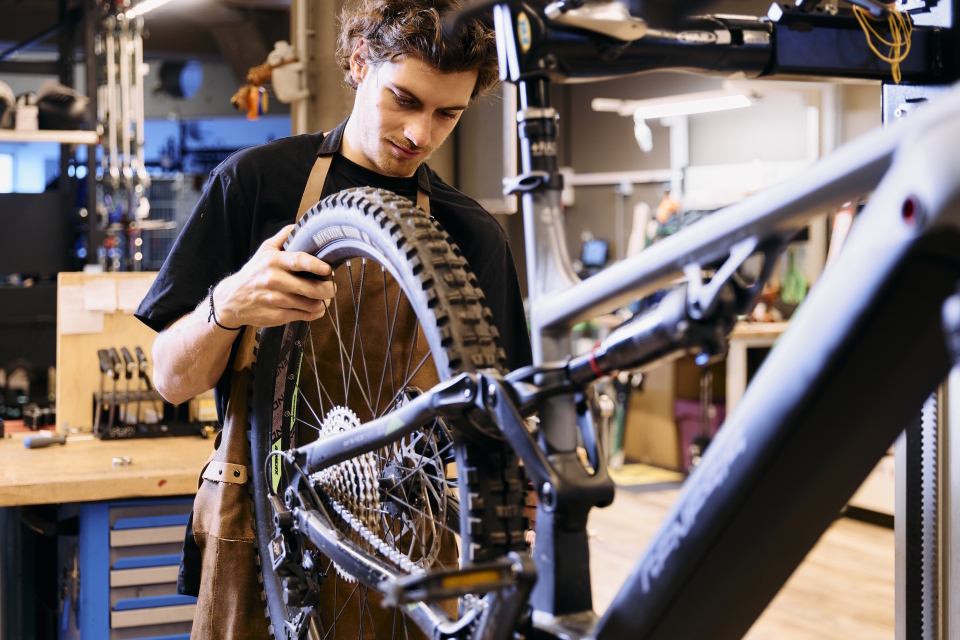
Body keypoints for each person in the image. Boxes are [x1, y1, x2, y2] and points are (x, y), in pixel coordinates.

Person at [134, 0, 532, 634]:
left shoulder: (472, 233)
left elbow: (503, 413)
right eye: (404, 99)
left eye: (445, 114)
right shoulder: (254, 183)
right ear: (358, 64)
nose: (420, 134)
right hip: (257, 518)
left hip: (404, 537)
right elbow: (170, 379)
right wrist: (229, 304)